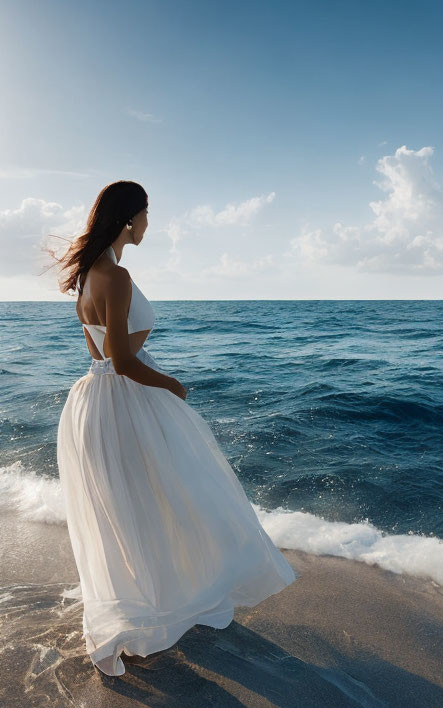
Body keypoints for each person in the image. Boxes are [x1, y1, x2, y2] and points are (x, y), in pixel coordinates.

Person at [53, 180, 297, 676]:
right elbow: (121, 360)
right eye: (146, 214)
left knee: (133, 507)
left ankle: (149, 603)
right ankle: (161, 604)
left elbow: (96, 353)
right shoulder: (116, 277)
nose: (149, 223)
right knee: (170, 497)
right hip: (126, 400)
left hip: (93, 402)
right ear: (128, 220)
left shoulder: (88, 276)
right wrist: (172, 385)